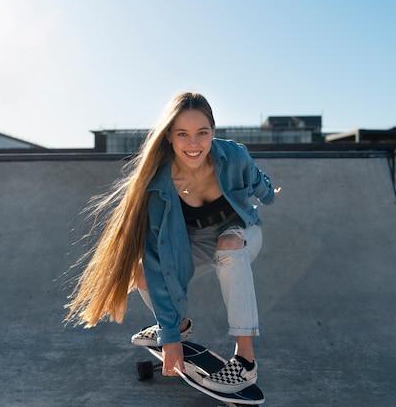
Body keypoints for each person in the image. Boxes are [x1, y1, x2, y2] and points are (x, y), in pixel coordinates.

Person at [65, 92, 281, 393]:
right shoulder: (159, 183)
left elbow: (257, 180)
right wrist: (171, 336)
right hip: (192, 241)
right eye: (183, 134)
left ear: (213, 133)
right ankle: (179, 325)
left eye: (202, 133)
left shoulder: (233, 154)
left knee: (229, 244)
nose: (194, 144)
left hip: (240, 233)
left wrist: (269, 194)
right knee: (141, 273)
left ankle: (245, 361)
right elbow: (155, 254)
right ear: (169, 136)